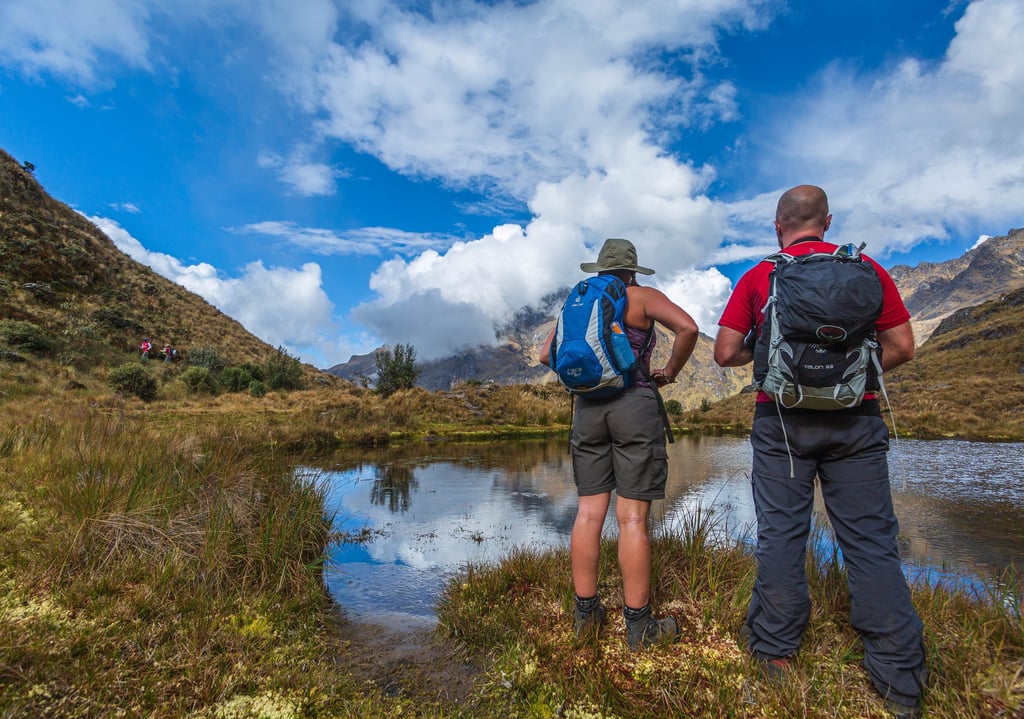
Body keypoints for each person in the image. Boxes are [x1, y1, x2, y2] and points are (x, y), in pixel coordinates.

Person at [713, 185, 927, 718]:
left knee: (782, 534)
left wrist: (772, 362)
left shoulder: (761, 275)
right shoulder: (869, 270)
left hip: (781, 422)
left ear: (777, 225)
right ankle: (899, 680)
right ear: (826, 222)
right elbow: (902, 347)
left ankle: (775, 654)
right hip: (856, 423)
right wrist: (850, 383)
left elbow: (724, 353)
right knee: (872, 541)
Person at [540, 238, 699, 649]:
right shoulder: (642, 297)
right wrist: (669, 371)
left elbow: (546, 356)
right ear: (631, 272)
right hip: (634, 404)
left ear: (598, 270)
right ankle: (639, 627)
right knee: (631, 519)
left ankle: (586, 616)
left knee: (589, 514)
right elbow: (689, 328)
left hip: (588, 410)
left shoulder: (581, 303)